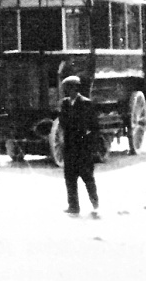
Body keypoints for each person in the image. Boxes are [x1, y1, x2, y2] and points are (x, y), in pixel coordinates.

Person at [59, 75, 99, 214]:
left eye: (70, 88)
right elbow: (62, 123)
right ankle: (73, 206)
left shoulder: (86, 103)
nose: (67, 91)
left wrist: (90, 145)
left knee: (87, 176)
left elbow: (94, 127)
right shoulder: (64, 104)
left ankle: (95, 203)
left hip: (82, 147)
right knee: (70, 178)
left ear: (76, 88)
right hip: (69, 146)